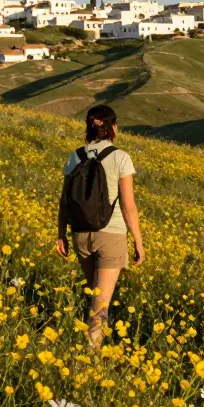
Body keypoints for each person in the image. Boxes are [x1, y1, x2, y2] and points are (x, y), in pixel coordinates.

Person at [56, 104, 145, 349]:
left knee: (94, 296)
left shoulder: (76, 156)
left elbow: (64, 200)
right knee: (101, 303)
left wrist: (61, 234)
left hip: (80, 234)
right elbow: (128, 206)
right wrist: (138, 240)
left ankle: (94, 343)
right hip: (111, 235)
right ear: (113, 127)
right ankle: (90, 360)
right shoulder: (120, 157)